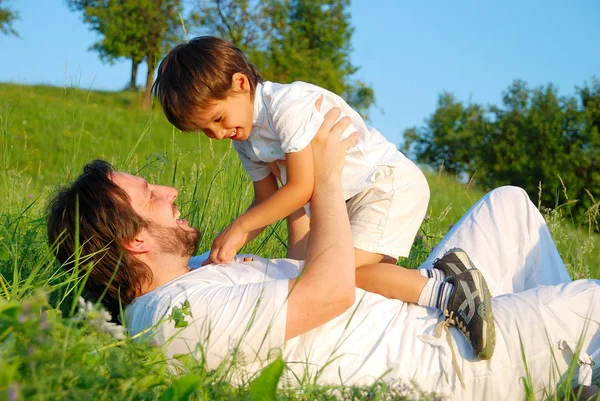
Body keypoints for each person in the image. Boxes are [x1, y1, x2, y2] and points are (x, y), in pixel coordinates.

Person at [47, 109, 599, 401]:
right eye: (150, 197)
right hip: (439, 361)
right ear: (133, 241)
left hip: (427, 312)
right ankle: (541, 359)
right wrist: (325, 179)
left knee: (510, 206)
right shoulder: (172, 318)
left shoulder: (194, 276)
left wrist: (293, 192)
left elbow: (304, 266)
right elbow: (328, 289)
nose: (168, 192)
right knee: (595, 303)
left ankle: (562, 371)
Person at [151, 36, 496, 359]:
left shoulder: (287, 107)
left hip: (385, 186)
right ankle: (436, 289)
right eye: (205, 130)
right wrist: (232, 244)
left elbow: (300, 188)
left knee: (340, 275)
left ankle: (450, 292)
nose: (217, 134)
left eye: (218, 118)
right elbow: (268, 202)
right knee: (328, 277)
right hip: (350, 201)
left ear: (240, 84)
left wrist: (241, 227)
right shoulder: (246, 141)